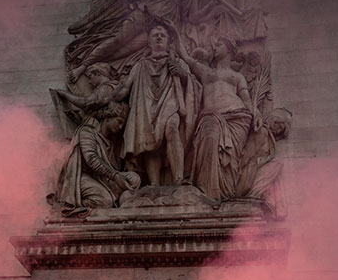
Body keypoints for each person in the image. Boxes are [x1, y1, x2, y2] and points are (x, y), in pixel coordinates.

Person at [168, 22, 262, 202]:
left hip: (237, 118)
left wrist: (256, 113)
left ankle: (225, 193)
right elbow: (185, 56)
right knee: (209, 138)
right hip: (210, 116)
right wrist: (174, 31)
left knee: (229, 161)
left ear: (228, 49)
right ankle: (208, 192)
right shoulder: (205, 71)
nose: (214, 48)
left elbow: (247, 101)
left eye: (218, 45)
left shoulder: (237, 76)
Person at [114, 22, 201, 186]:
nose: (159, 37)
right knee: (150, 142)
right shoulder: (140, 66)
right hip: (146, 107)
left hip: (170, 102)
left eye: (163, 35)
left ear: (169, 41)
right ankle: (154, 184)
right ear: (149, 42)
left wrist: (182, 74)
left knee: (172, 128)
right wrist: (106, 98)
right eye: (155, 35)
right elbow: (125, 89)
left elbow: (192, 85)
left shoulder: (178, 62)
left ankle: (179, 178)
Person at [54, 101, 140, 216]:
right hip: (81, 177)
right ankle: (72, 204)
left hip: (102, 178)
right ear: (108, 117)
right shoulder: (86, 132)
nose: (120, 127)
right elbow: (91, 159)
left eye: (122, 125)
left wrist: (119, 176)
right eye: (119, 122)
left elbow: (114, 168)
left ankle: (114, 197)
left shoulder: (110, 144)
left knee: (134, 178)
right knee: (104, 201)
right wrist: (115, 176)